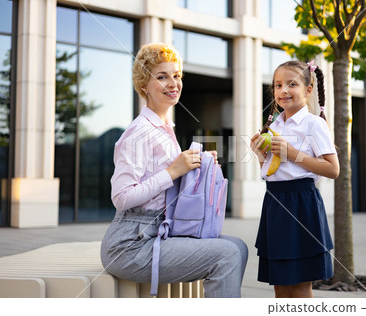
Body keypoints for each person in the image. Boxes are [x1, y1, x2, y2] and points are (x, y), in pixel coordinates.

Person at [100, 43, 248, 298]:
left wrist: (198, 166)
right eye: (162, 76)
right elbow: (121, 197)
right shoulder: (138, 133)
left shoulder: (165, 129)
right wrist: (173, 170)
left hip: (157, 232)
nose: (173, 83)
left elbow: (169, 184)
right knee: (227, 255)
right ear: (144, 84)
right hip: (130, 245)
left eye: (177, 75)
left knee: (238, 246)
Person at [250, 60, 339, 298]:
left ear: (308, 90)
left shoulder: (314, 124)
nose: (283, 91)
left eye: (291, 84)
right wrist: (260, 155)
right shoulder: (274, 124)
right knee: (280, 284)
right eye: (278, 85)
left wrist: (292, 153)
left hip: (302, 203)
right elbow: (270, 171)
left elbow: (333, 169)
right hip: (275, 203)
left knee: (300, 285)